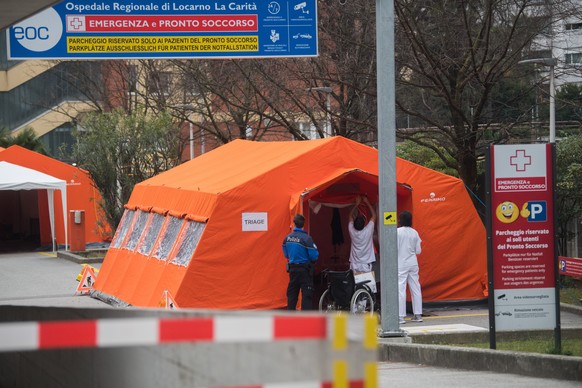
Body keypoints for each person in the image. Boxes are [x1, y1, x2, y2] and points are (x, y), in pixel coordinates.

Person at [282, 214, 319, 310]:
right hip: (305, 270)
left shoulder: (287, 238)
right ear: (303, 225)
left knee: (292, 295)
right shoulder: (306, 238)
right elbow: (314, 256)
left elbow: (286, 255)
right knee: (307, 295)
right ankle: (305, 321)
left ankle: (290, 319)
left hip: (293, 270)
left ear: (294, 223)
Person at [397, 210, 423, 324]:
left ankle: (401, 316)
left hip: (401, 262)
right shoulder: (415, 232)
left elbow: (394, 248)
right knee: (415, 288)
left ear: (400, 220)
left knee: (400, 288)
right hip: (413, 262)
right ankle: (418, 315)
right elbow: (418, 251)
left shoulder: (397, 232)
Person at [348, 195, 377, 273]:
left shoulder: (352, 230)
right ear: (364, 224)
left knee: (355, 283)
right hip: (366, 263)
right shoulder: (368, 230)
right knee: (367, 284)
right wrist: (367, 202)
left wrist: (356, 205)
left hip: (354, 263)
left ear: (353, 224)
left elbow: (350, 216)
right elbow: (374, 215)